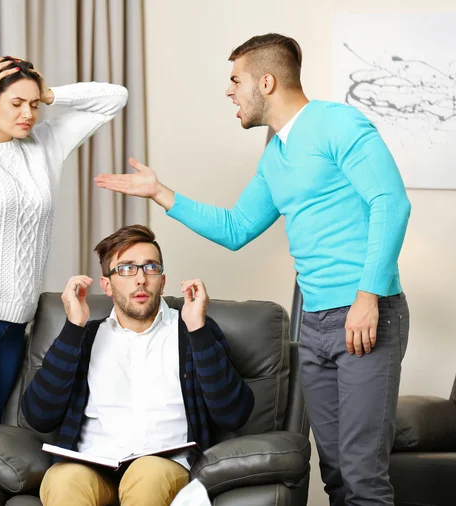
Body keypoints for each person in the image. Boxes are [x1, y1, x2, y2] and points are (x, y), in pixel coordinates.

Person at [94, 34, 411, 506]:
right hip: (317, 323)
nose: (229, 91)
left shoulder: (337, 123)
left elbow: (391, 202)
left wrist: (368, 296)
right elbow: (237, 227)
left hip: (366, 311)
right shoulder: (276, 155)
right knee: (338, 475)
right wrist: (161, 193)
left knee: (364, 473)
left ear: (266, 81)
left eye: (235, 79)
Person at [0, 56, 128, 505]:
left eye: (35, 104)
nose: (28, 114)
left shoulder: (45, 145)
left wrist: (50, 93)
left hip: (14, 330)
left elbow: (115, 98)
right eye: (16, 103)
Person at [21, 224, 254, 506]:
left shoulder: (191, 329)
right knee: (62, 479)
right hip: (92, 465)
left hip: (163, 465)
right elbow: (38, 416)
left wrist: (198, 331)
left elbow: (234, 414)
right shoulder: (85, 335)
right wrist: (73, 327)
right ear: (107, 284)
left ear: (162, 280)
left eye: (150, 268)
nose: (140, 279)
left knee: (146, 474)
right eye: (126, 269)